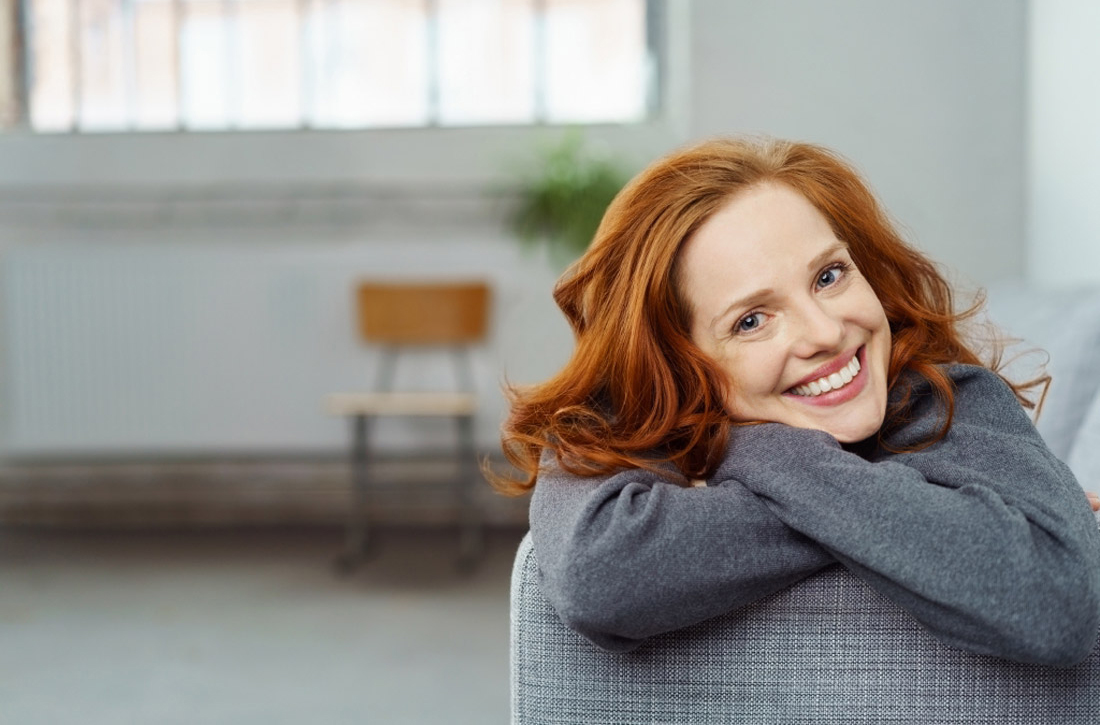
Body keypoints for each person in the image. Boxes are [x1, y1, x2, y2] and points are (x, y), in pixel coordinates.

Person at [494, 137, 1100, 667]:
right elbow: (601, 575)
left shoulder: (943, 396)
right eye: (753, 320)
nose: (826, 333)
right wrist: (919, 508)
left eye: (829, 276)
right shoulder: (626, 428)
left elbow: (1059, 599)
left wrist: (747, 449)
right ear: (683, 366)